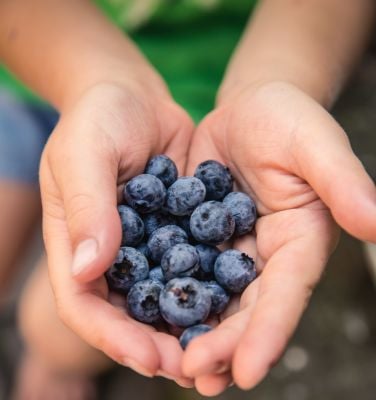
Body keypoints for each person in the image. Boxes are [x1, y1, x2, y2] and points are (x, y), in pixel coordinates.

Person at [0, 0, 375, 398]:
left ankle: (54, 364)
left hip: (213, 99)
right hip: (43, 72)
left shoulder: (193, 229)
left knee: (60, 328)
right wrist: (96, 83)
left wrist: (281, 81)